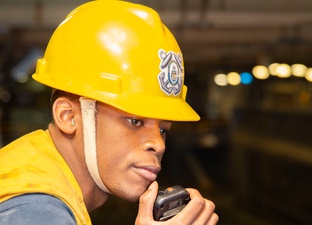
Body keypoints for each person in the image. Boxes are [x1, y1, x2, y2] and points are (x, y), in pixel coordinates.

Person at [0, 0, 219, 224]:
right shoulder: (35, 211)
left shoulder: (32, 174)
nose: (159, 145)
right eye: (135, 121)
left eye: (163, 130)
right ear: (69, 116)